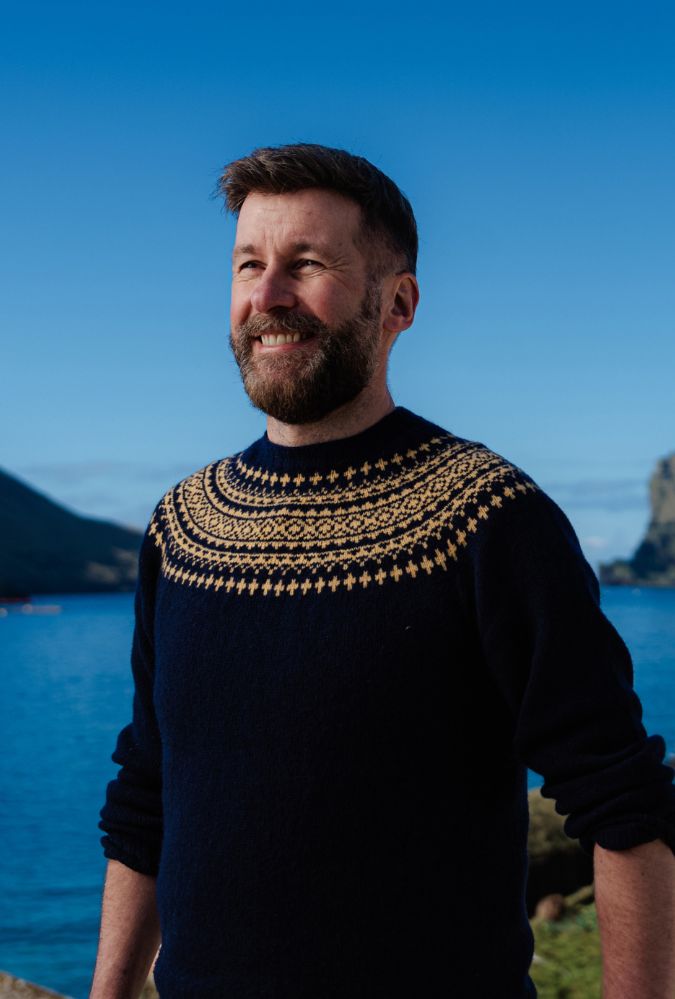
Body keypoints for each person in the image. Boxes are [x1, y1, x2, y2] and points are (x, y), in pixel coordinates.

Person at [91, 143, 675, 999]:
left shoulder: (486, 518)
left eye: (308, 264)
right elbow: (148, 792)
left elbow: (625, 808)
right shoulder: (182, 525)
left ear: (396, 302)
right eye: (249, 264)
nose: (268, 295)